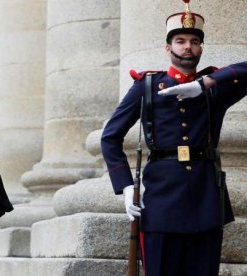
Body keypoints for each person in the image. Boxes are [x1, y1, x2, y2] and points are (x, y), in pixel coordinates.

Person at [101, 1, 247, 275]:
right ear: (168, 48)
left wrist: (205, 83)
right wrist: (125, 187)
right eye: (180, 41)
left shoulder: (214, 89)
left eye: (194, 41)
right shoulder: (146, 86)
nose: (187, 46)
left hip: (205, 197)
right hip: (160, 199)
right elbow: (110, 137)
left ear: (201, 48)